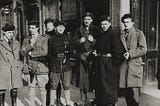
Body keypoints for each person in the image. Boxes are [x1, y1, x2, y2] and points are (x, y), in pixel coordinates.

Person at [93, 15, 125, 106]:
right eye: (102, 24)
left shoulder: (113, 35)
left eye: (105, 24)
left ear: (109, 24)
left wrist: (113, 65)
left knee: (109, 87)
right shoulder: (101, 34)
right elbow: (98, 47)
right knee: (101, 86)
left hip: (109, 66)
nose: (104, 26)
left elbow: (119, 52)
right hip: (100, 64)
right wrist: (96, 52)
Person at [119, 14, 147, 106]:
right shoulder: (122, 35)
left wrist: (130, 54)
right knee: (127, 93)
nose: (126, 24)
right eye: (124, 22)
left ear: (132, 23)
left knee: (135, 94)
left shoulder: (139, 34)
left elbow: (143, 49)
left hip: (135, 67)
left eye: (128, 22)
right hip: (125, 67)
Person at [21, 21, 49, 106]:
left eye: (33, 28)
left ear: (37, 28)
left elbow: (45, 52)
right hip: (30, 66)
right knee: (31, 88)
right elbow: (22, 53)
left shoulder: (43, 39)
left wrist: (32, 54)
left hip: (41, 66)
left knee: (42, 88)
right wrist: (31, 45)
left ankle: (44, 104)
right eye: (29, 28)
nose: (31, 30)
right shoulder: (26, 40)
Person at [74, 12, 100, 101]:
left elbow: (102, 43)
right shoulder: (79, 30)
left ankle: (96, 98)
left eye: (89, 19)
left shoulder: (96, 30)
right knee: (82, 78)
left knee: (94, 77)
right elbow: (73, 44)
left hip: (93, 57)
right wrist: (79, 41)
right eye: (85, 19)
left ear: (92, 20)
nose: (87, 21)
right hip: (82, 57)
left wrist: (94, 41)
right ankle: (83, 98)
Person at [48, 20, 72, 106]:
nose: (61, 28)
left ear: (64, 28)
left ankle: (68, 103)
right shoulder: (51, 39)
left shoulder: (68, 38)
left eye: (62, 27)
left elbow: (71, 52)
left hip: (66, 66)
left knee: (67, 85)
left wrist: (66, 57)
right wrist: (54, 60)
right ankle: (51, 103)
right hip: (55, 65)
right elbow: (49, 54)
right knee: (53, 85)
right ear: (55, 28)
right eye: (59, 27)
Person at [0, 24, 24, 106]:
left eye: (12, 33)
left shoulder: (17, 43)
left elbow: (21, 55)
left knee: (14, 89)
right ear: (4, 33)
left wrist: (20, 66)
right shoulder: (0, 43)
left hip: (14, 69)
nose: (11, 34)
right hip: (3, 69)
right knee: (2, 89)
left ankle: (14, 104)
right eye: (9, 32)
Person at [43, 18, 63, 106]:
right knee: (48, 82)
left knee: (57, 82)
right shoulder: (43, 36)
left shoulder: (57, 35)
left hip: (56, 61)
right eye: (47, 26)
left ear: (54, 26)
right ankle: (48, 101)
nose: (49, 27)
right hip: (47, 61)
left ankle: (58, 100)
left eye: (50, 25)